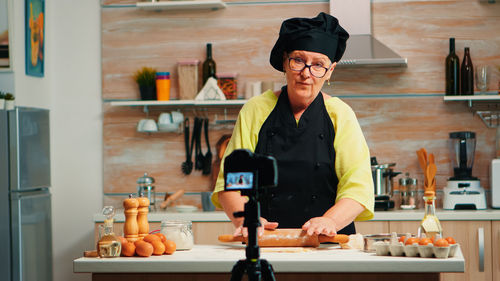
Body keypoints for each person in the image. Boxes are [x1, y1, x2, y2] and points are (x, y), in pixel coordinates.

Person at [211, 12, 374, 238]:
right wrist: (246, 219)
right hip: (266, 240)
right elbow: (233, 182)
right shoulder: (256, 110)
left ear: (330, 72)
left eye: (318, 65)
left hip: (329, 243)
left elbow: (358, 187)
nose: (306, 74)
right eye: (298, 60)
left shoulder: (341, 115)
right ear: (285, 61)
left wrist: (330, 220)